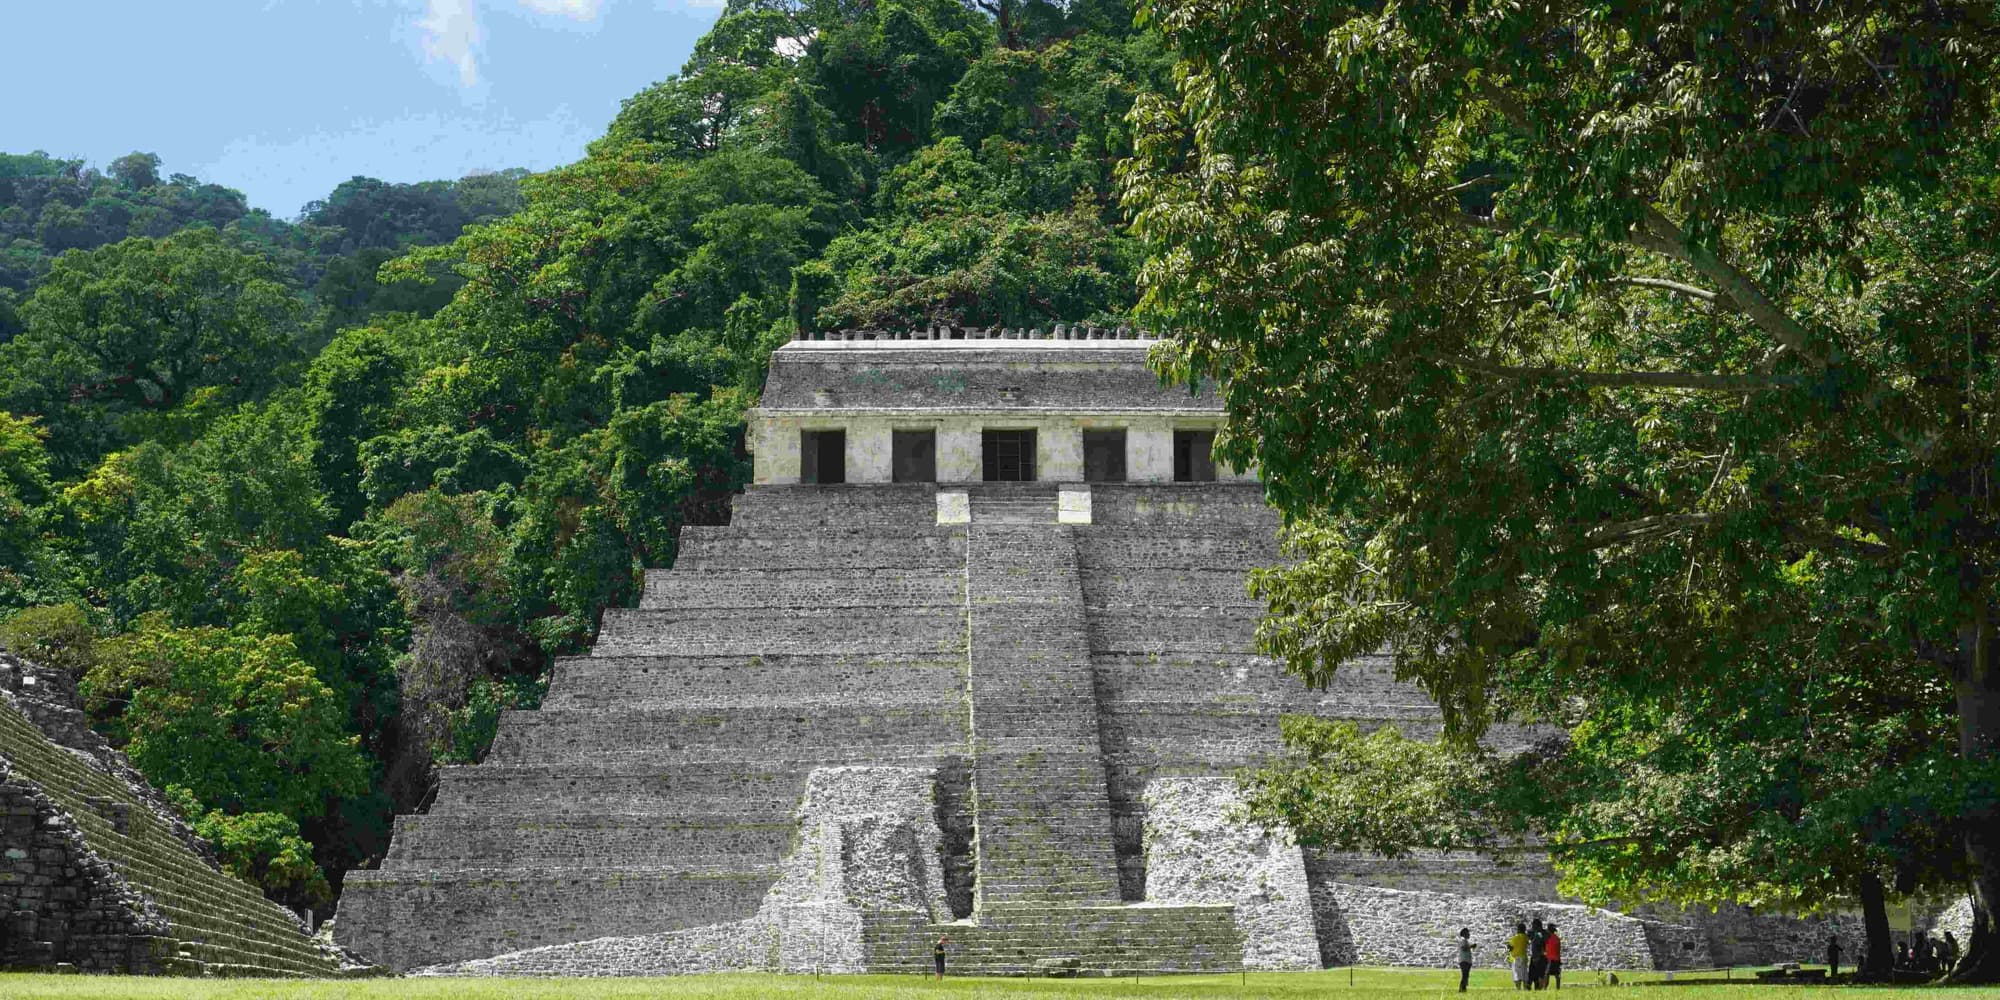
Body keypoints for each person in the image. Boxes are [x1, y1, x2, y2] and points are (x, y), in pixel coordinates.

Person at [1507, 922, 1530, 990]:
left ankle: (1518, 988)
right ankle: (1525, 987)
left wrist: (1508, 946)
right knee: (1524, 972)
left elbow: (1510, 947)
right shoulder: (1526, 937)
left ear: (1518, 929)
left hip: (1516, 957)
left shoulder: (1515, 938)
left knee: (1517, 973)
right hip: (1524, 957)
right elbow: (1527, 942)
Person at [1527, 918, 1548, 991]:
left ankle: (1537, 988)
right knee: (1533, 975)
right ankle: (1534, 987)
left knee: (1537, 975)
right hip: (1538, 956)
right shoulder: (1541, 933)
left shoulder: (1542, 934)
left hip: (1539, 956)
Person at [1543, 923, 1563, 991]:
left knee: (1546, 974)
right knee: (1557, 975)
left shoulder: (1547, 937)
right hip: (1557, 959)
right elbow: (1558, 949)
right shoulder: (1557, 938)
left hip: (1550, 959)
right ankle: (1558, 988)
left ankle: (1544, 988)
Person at [1458, 927, 1478, 993]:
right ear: (1464, 934)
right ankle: (1461, 989)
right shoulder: (1462, 941)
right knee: (1465, 975)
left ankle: (1463, 989)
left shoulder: (1465, 941)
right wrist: (1471, 946)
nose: (1469, 934)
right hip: (1464, 961)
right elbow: (1463, 948)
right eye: (1468, 933)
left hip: (1467, 961)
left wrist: (1471, 946)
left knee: (1466, 976)